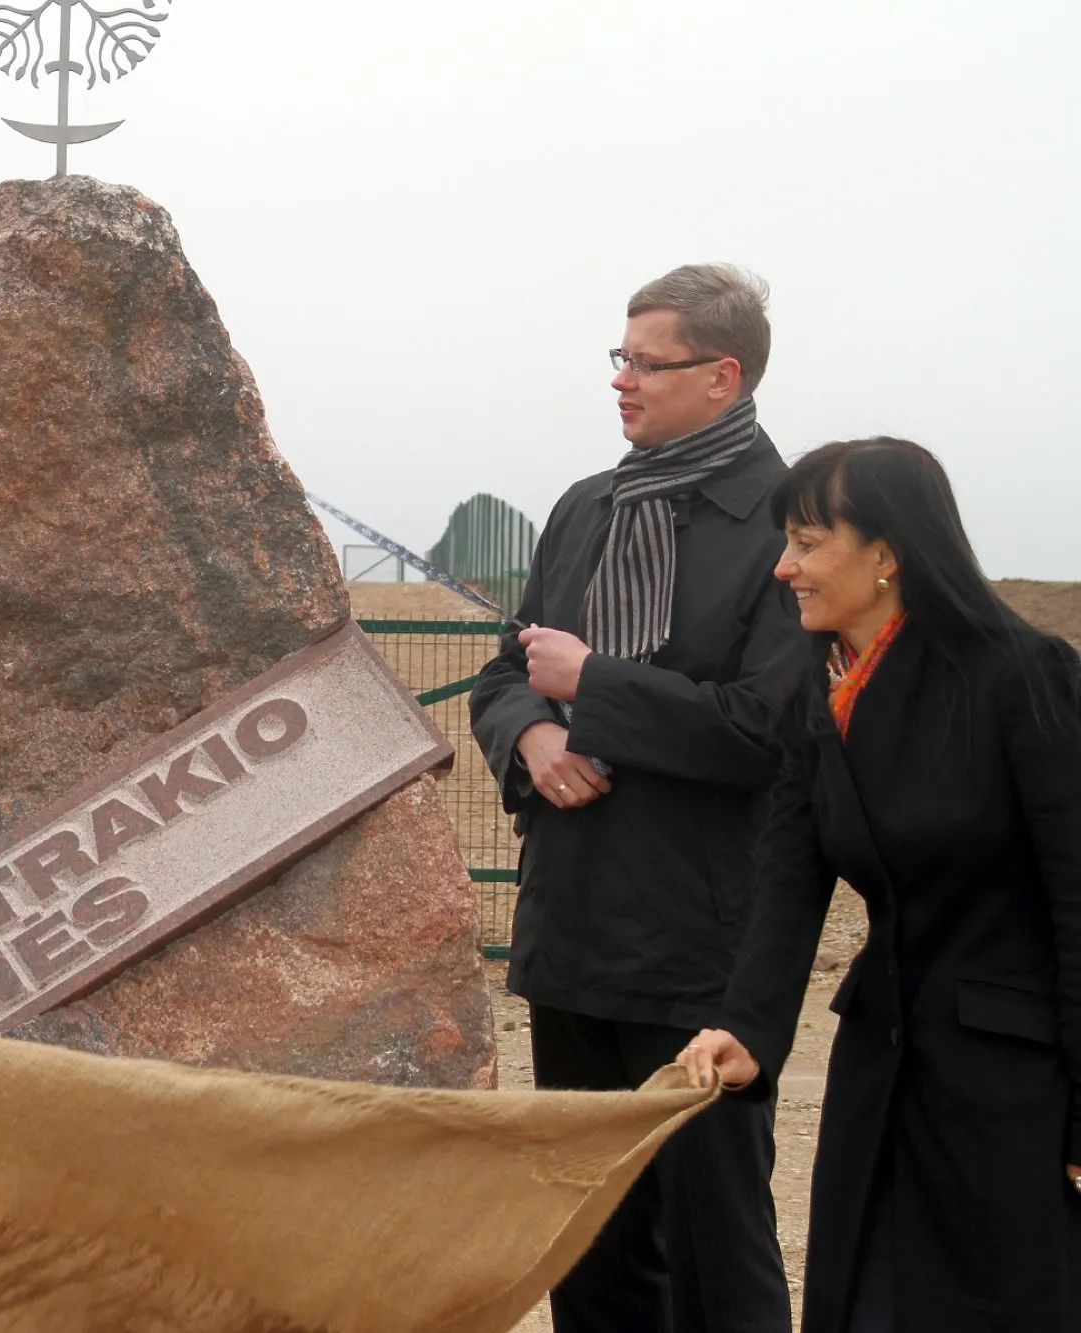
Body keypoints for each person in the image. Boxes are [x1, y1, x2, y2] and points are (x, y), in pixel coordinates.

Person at [468, 263, 807, 1333]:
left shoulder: (787, 525)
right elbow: (502, 674)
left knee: (714, 1247)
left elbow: (764, 728)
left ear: (721, 376)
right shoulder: (584, 507)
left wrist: (593, 688)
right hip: (571, 927)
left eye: (643, 363)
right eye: (617, 358)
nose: (619, 381)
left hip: (701, 948)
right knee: (589, 1245)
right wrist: (531, 732)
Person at [680, 438, 1081, 1333]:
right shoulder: (818, 694)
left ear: (888, 553)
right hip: (882, 1067)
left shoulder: (1022, 675)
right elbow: (787, 879)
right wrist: (748, 1028)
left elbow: (1076, 897)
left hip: (1012, 1083)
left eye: (809, 541)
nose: (785, 567)